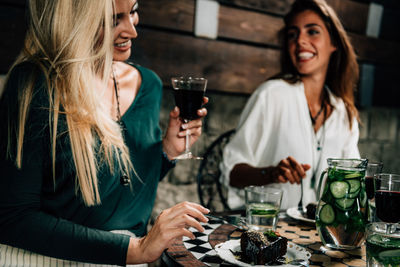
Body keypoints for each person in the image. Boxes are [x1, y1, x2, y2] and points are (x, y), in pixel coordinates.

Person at [0, 0, 209, 266]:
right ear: (73, 23)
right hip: (47, 259)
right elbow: (12, 218)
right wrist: (136, 249)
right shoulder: (34, 84)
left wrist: (167, 152)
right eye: (112, 20)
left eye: (133, 11)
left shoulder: (149, 85)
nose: (131, 31)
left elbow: (122, 190)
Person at [221, 0, 360, 210]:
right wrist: (271, 173)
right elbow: (231, 174)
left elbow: (355, 179)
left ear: (334, 43)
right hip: (267, 229)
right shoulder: (271, 95)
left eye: (312, 31)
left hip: (321, 235)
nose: (300, 41)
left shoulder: (344, 113)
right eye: (292, 34)